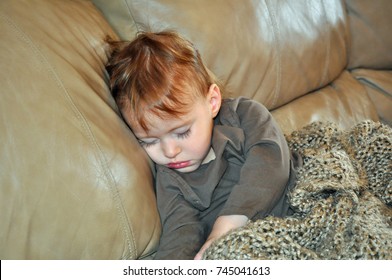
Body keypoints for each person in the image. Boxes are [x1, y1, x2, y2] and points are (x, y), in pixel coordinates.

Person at [106, 31, 299, 260]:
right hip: (254, 249)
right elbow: (180, 232)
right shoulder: (171, 180)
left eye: (182, 132)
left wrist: (226, 226)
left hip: (297, 203)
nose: (170, 152)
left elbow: (270, 162)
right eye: (149, 141)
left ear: (212, 102)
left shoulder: (245, 115)